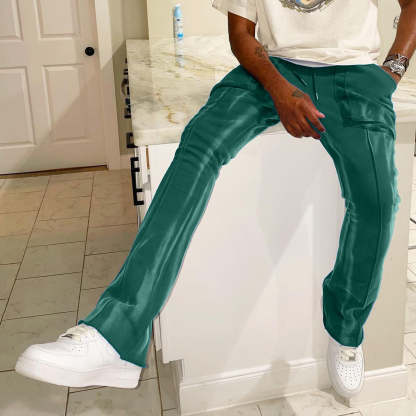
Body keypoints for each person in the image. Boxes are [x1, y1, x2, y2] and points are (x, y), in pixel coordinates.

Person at [14, 0, 414, 400]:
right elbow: (241, 35)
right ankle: (116, 332)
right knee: (198, 146)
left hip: (355, 74)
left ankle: (346, 328)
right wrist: (280, 90)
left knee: (378, 202)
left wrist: (393, 69)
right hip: (274, 69)